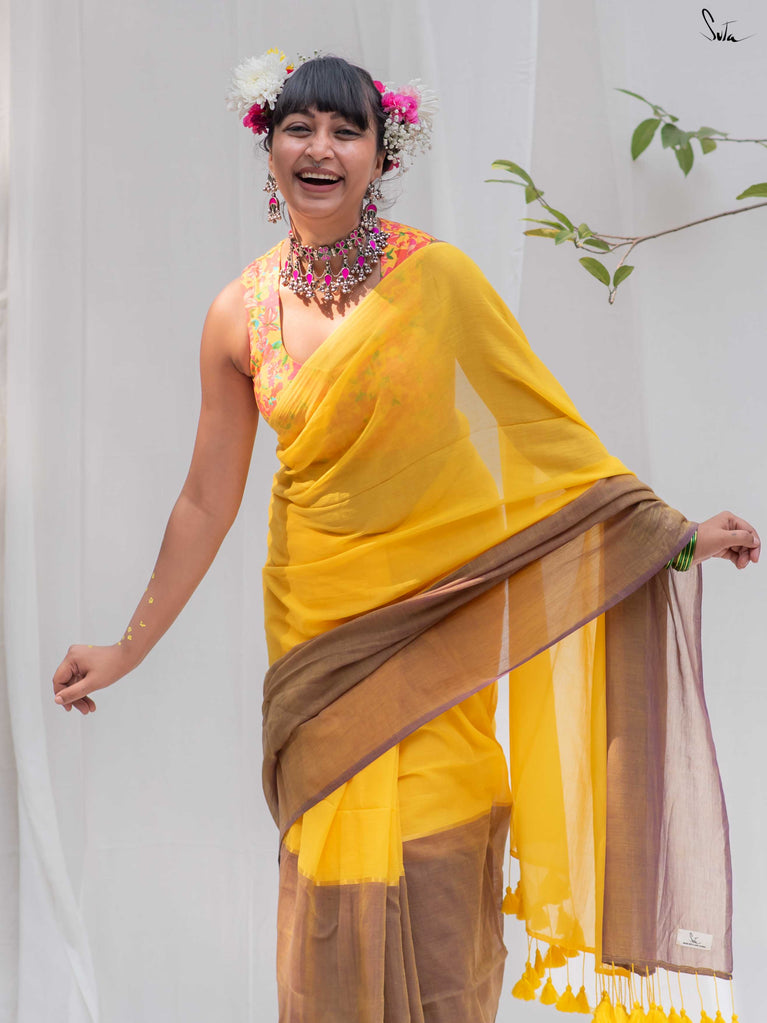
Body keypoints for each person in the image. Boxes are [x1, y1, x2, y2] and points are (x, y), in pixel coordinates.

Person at [52, 52, 759, 1023]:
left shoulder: (438, 281)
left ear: (382, 157)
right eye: (300, 128)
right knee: (331, 898)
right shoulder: (236, 315)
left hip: (437, 630)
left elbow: (546, 432)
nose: (321, 148)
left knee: (438, 860)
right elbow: (205, 501)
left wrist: (671, 536)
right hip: (318, 646)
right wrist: (125, 648)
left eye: (346, 131)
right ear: (268, 145)